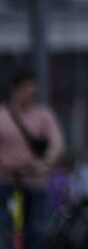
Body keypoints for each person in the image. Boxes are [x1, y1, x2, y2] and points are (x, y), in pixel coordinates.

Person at [1, 67, 66, 249]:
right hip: (6, 185)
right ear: (15, 90)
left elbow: (57, 142)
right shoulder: (2, 116)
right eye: (27, 89)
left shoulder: (43, 115)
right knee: (7, 232)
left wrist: (47, 162)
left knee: (36, 233)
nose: (31, 94)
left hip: (36, 185)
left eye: (34, 90)